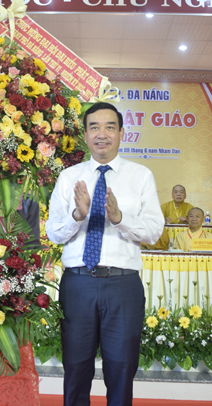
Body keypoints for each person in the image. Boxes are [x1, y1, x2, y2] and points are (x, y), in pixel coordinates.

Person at [46, 102, 164, 406]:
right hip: (78, 284)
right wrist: (78, 214)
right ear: (85, 135)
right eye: (94, 127)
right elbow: (53, 233)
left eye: (110, 127)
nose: (102, 134)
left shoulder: (141, 176)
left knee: (122, 368)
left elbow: (154, 232)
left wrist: (119, 218)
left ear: (122, 133)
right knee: (75, 367)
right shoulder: (68, 177)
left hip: (122, 285)